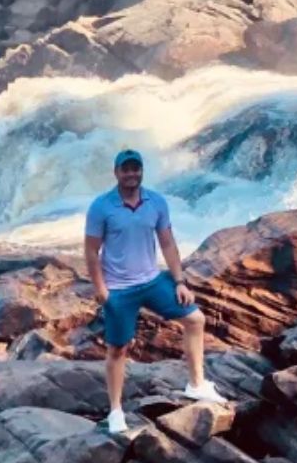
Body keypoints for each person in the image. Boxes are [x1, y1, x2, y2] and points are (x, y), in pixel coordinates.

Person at [85, 149, 225, 434]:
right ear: (116, 172)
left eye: (136, 168)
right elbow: (90, 250)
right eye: (126, 169)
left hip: (152, 281)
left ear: (141, 171)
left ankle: (196, 384)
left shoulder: (156, 202)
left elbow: (168, 244)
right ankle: (115, 411)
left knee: (195, 319)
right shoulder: (101, 207)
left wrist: (179, 281)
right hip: (120, 290)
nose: (131, 174)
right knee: (118, 349)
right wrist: (101, 289)